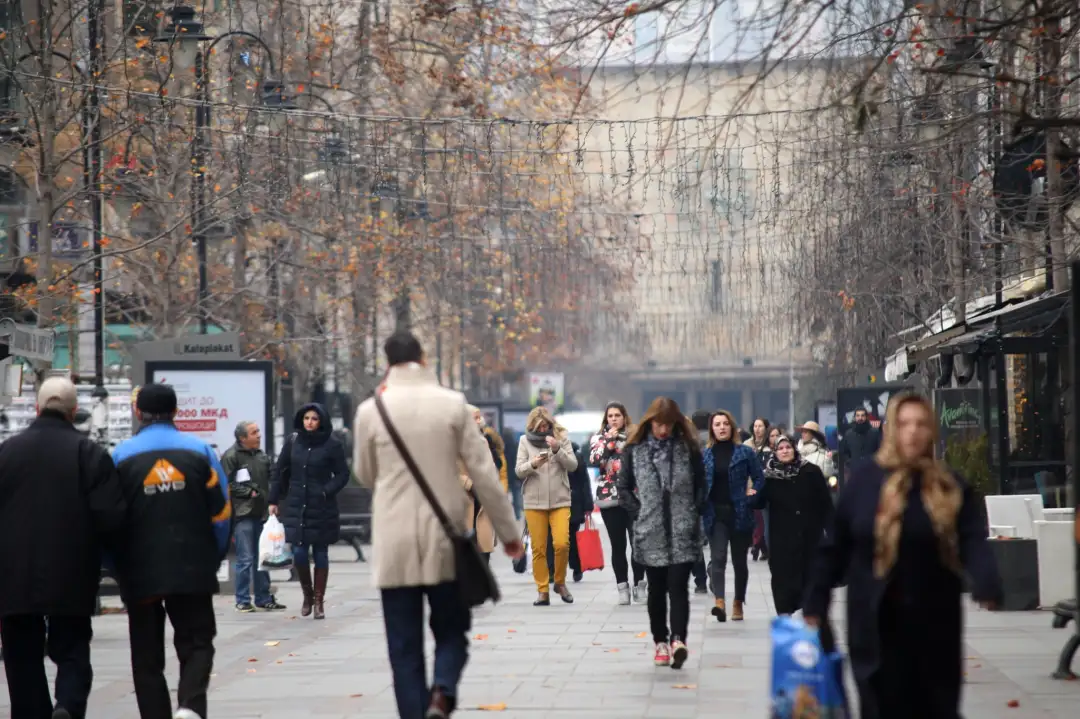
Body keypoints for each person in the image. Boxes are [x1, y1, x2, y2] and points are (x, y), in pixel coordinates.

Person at [353, 331, 522, 719]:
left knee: (403, 645)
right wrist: (509, 534)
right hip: (445, 539)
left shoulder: (371, 410)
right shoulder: (453, 405)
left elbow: (364, 473)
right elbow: (484, 475)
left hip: (394, 544)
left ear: (387, 361)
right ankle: (442, 692)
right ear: (424, 358)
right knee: (452, 630)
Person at [803, 392, 1002, 719]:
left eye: (921, 423)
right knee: (881, 707)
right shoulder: (865, 482)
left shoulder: (949, 485)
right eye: (904, 423)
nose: (912, 431)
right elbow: (835, 547)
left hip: (934, 622)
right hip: (874, 622)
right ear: (891, 429)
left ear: (932, 431)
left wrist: (987, 581)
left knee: (936, 708)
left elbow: (972, 539)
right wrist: (815, 601)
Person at [0, 378, 127, 719]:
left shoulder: (7, 453)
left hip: (14, 574)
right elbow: (111, 517)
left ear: (36, 408)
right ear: (74, 413)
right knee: (72, 647)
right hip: (71, 570)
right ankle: (68, 704)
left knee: (20, 652)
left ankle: (32, 712)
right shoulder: (90, 454)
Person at [111, 383, 232, 719]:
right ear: (176, 412)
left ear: (138, 413)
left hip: (140, 572)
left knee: (146, 657)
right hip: (192, 568)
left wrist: (117, 565)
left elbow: (107, 519)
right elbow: (221, 514)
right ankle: (190, 707)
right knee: (197, 642)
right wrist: (214, 556)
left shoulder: (119, 458)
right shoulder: (201, 453)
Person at [616, 397, 705, 669]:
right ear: (649, 422)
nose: (663, 430)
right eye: (658, 424)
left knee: (679, 587)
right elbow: (624, 488)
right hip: (650, 529)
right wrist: (639, 513)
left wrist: (693, 509)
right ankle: (660, 642)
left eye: (668, 424)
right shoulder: (635, 450)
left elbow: (702, 483)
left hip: (682, 528)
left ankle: (679, 639)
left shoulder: (687, 448)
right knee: (656, 590)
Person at [268, 403, 350, 620]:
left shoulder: (332, 444)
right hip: (297, 504)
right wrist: (273, 499)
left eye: (314, 419)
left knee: (321, 553)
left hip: (321, 506)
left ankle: (318, 602)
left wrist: (326, 491)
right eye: (306, 418)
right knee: (299, 553)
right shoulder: (294, 441)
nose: (310, 422)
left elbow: (343, 474)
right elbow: (280, 470)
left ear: (321, 420)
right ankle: (308, 594)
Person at [748, 435, 832, 614]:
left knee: (811, 584)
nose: (785, 451)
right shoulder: (769, 477)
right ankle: (786, 622)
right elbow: (758, 503)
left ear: (794, 449)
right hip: (782, 541)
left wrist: (833, 533)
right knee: (782, 584)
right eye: (781, 448)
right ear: (775, 452)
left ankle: (812, 624)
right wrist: (750, 492)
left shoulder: (811, 471)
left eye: (788, 447)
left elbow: (825, 504)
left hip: (810, 538)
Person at [702, 410, 765, 622]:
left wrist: (753, 494)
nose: (721, 427)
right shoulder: (706, 455)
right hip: (715, 513)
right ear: (712, 428)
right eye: (717, 424)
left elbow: (759, 478)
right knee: (718, 558)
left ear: (732, 427)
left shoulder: (745, 453)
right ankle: (719, 601)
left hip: (740, 512)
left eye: (725, 424)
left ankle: (738, 602)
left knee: (740, 562)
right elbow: (699, 483)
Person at [221, 420, 286, 613]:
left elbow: (271, 478)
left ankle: (263, 598)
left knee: (264, 557)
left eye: (258, 431)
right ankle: (242, 599)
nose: (258, 435)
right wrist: (248, 493)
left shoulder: (261, 456)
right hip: (243, 514)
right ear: (243, 438)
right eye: (254, 432)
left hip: (262, 514)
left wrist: (273, 499)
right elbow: (227, 484)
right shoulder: (231, 456)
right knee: (245, 559)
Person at [516, 406, 578, 606]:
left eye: (546, 425)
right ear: (532, 426)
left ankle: (559, 582)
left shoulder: (561, 438)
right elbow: (518, 470)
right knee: (539, 548)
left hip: (560, 499)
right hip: (534, 501)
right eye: (539, 426)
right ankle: (542, 590)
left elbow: (573, 465)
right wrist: (533, 464)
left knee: (561, 543)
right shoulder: (524, 441)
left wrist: (557, 449)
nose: (543, 429)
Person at [589, 402, 647, 604]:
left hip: (634, 496)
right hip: (609, 497)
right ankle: (622, 587)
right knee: (618, 545)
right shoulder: (598, 438)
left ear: (624, 417)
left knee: (637, 543)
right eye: (610, 416)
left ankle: (640, 585)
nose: (613, 419)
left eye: (617, 415)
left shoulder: (635, 437)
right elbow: (595, 460)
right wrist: (608, 441)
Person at [547, 440, 594, 582]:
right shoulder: (545, 455)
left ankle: (576, 566)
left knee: (571, 538)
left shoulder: (576, 457)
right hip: (550, 502)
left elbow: (584, 481)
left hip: (572, 503)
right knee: (550, 538)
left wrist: (587, 505)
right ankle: (551, 569)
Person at [744, 417, 772, 562]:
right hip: (750, 487)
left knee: (762, 519)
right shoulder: (746, 445)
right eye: (755, 426)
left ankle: (760, 545)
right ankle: (757, 544)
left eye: (760, 426)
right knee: (755, 519)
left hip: (765, 487)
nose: (757, 429)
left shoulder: (770, 446)